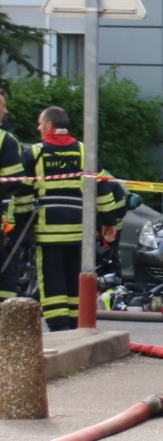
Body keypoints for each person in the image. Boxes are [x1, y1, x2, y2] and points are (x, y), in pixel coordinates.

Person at [12, 107, 125, 331]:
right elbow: (103, 189)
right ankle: (76, 327)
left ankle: (58, 328)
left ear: (49, 126)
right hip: (80, 233)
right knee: (75, 280)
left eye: (39, 123)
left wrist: (22, 228)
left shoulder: (35, 153)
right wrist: (108, 222)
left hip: (48, 233)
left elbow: (23, 196)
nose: (37, 128)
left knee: (52, 281)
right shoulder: (85, 151)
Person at [0, 98, 24, 301]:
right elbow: (12, 183)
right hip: (3, 219)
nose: (5, 111)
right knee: (5, 266)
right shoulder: (5, 140)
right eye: (2, 106)